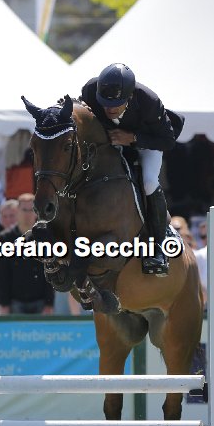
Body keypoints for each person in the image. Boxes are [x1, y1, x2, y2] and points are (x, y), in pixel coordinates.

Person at [80, 63, 183, 276]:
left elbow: (167, 141)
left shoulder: (148, 101)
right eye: (105, 103)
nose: (109, 109)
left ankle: (158, 245)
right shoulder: (90, 91)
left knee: (149, 182)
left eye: (116, 104)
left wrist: (133, 138)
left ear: (129, 96)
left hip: (146, 144)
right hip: (109, 145)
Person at [0, 194, 54, 315]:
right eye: (24, 210)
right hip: (14, 301)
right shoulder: (5, 238)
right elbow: (1, 274)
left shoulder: (46, 237)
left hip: (41, 301)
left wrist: (49, 303)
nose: (27, 214)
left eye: (31, 210)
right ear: (18, 212)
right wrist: (4, 304)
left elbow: (51, 270)